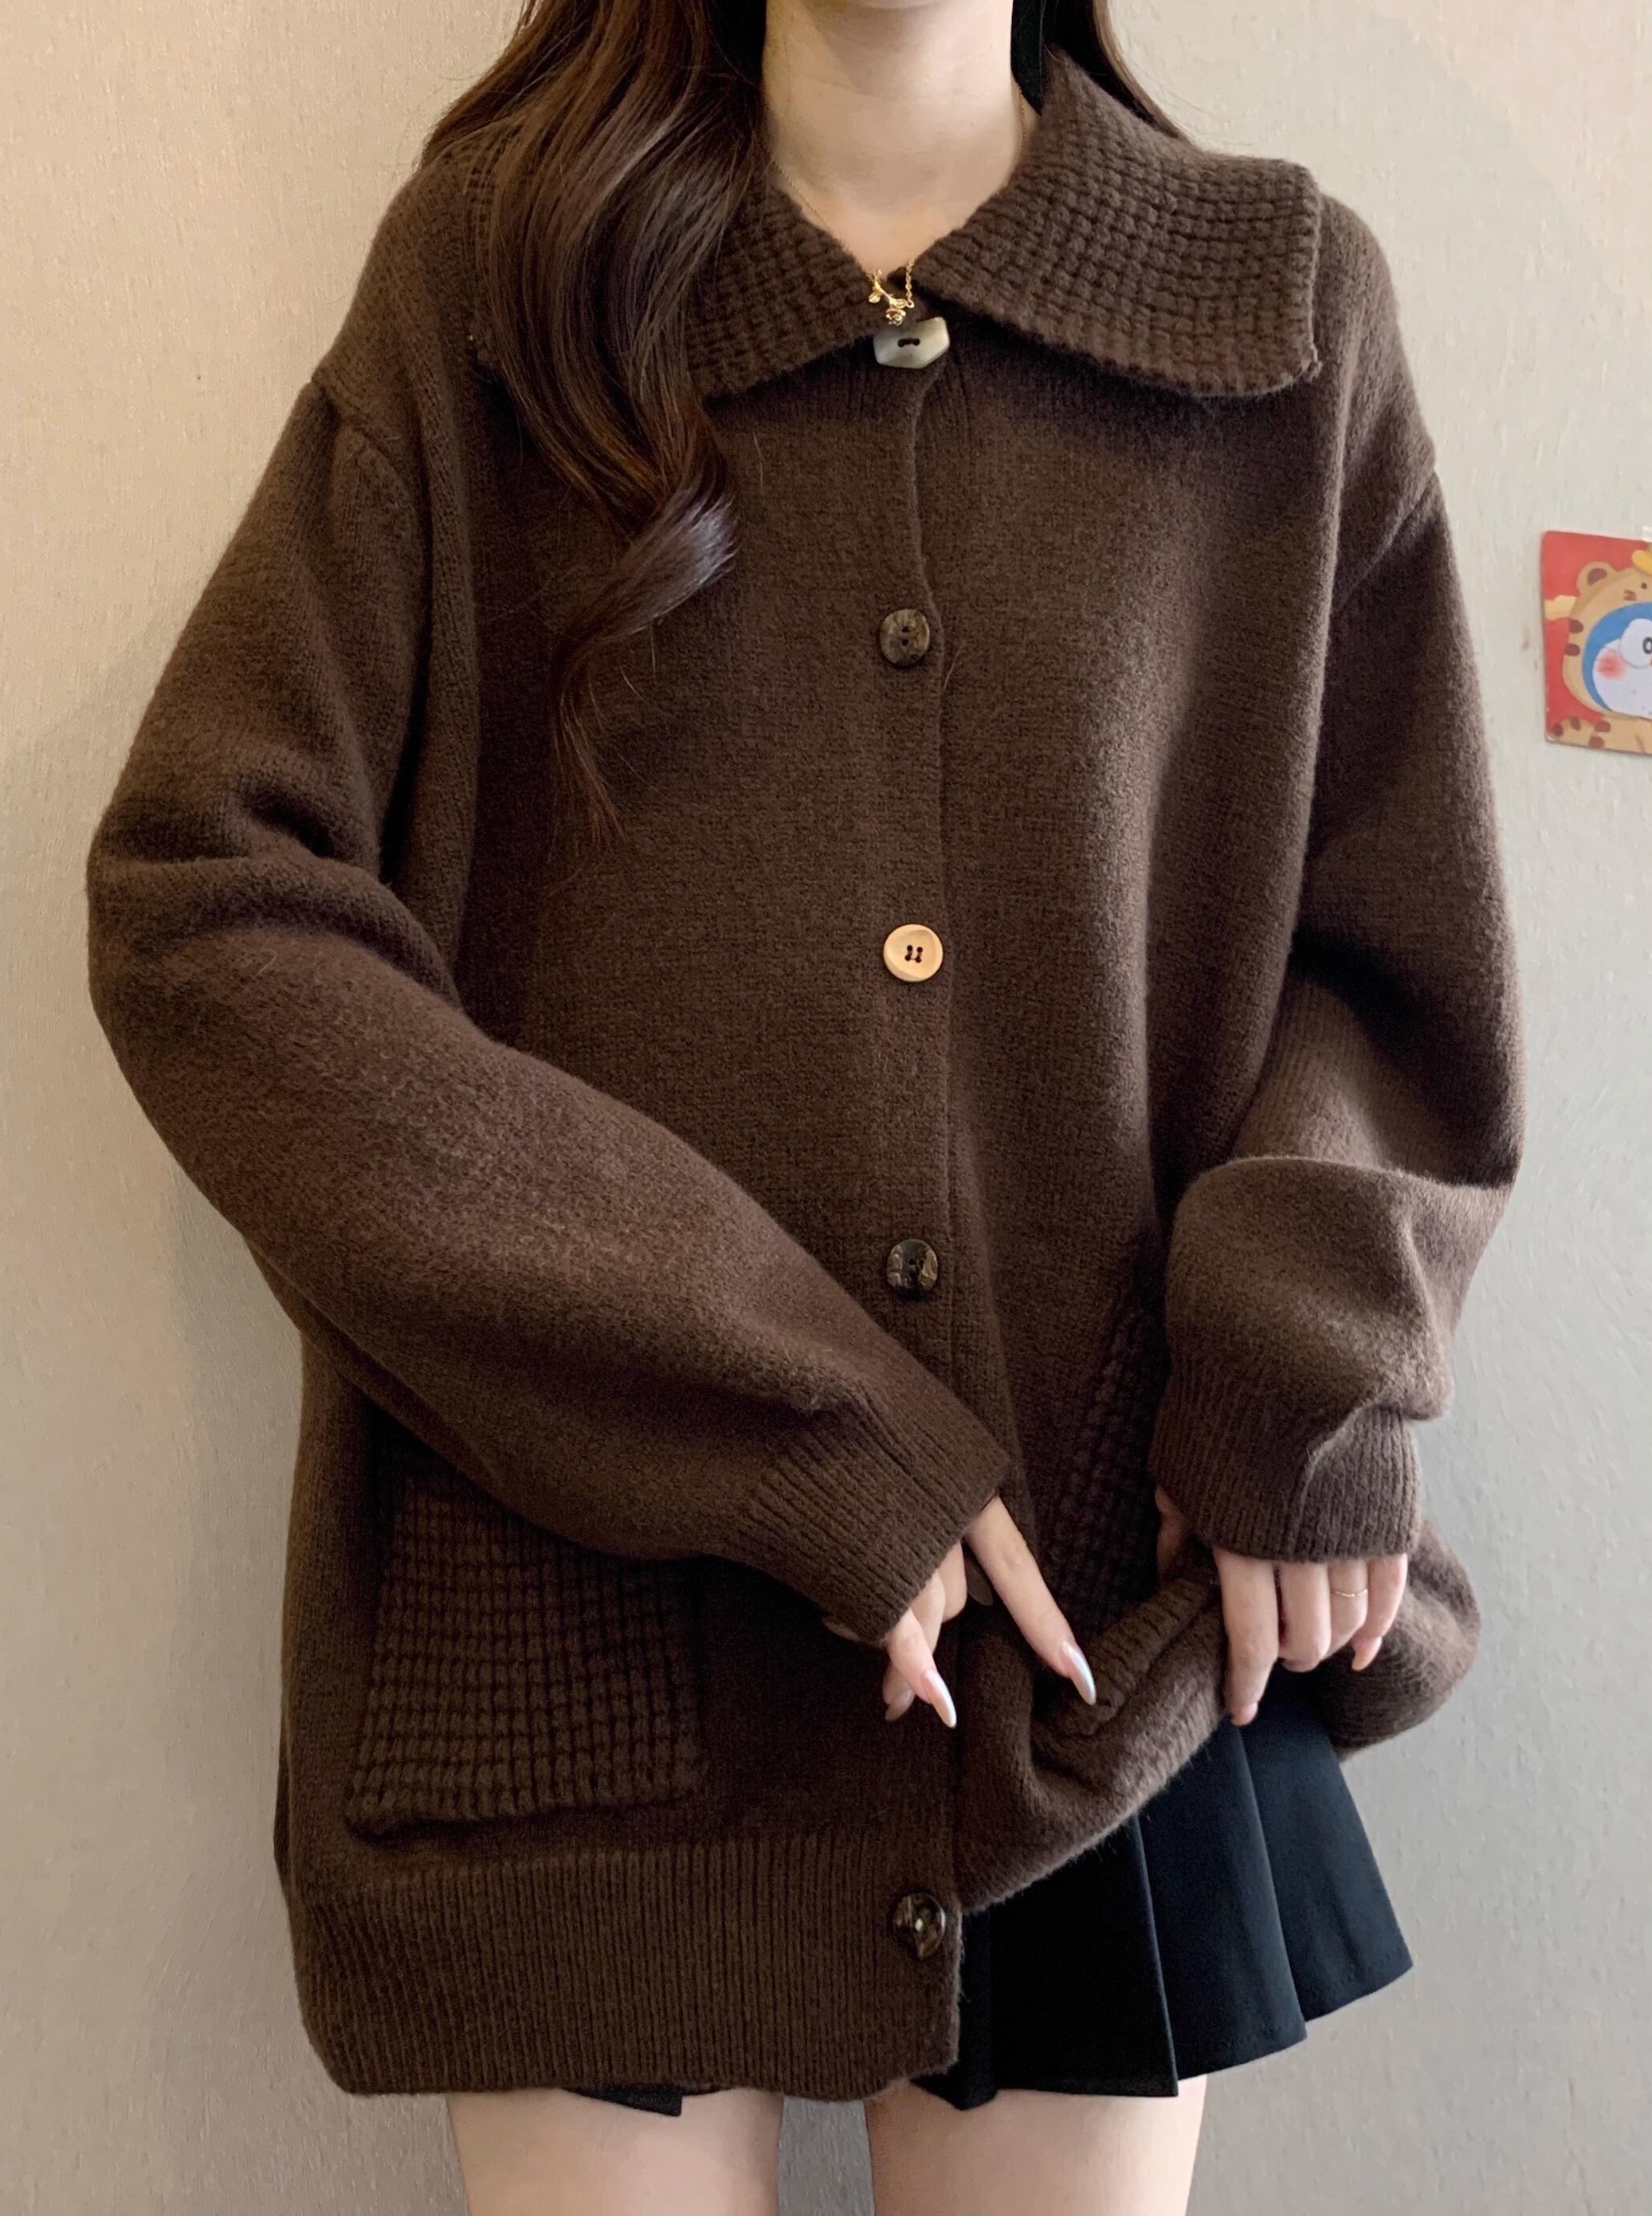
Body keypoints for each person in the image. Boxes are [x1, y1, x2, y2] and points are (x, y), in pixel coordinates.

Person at [82, 0, 1526, 2209]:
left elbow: (1401, 946)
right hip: (578, 1629)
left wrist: (1307, 1379)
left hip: (1094, 1627)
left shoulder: (1268, 307)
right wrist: (780, 1406)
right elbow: (209, 907)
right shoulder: (505, 289)